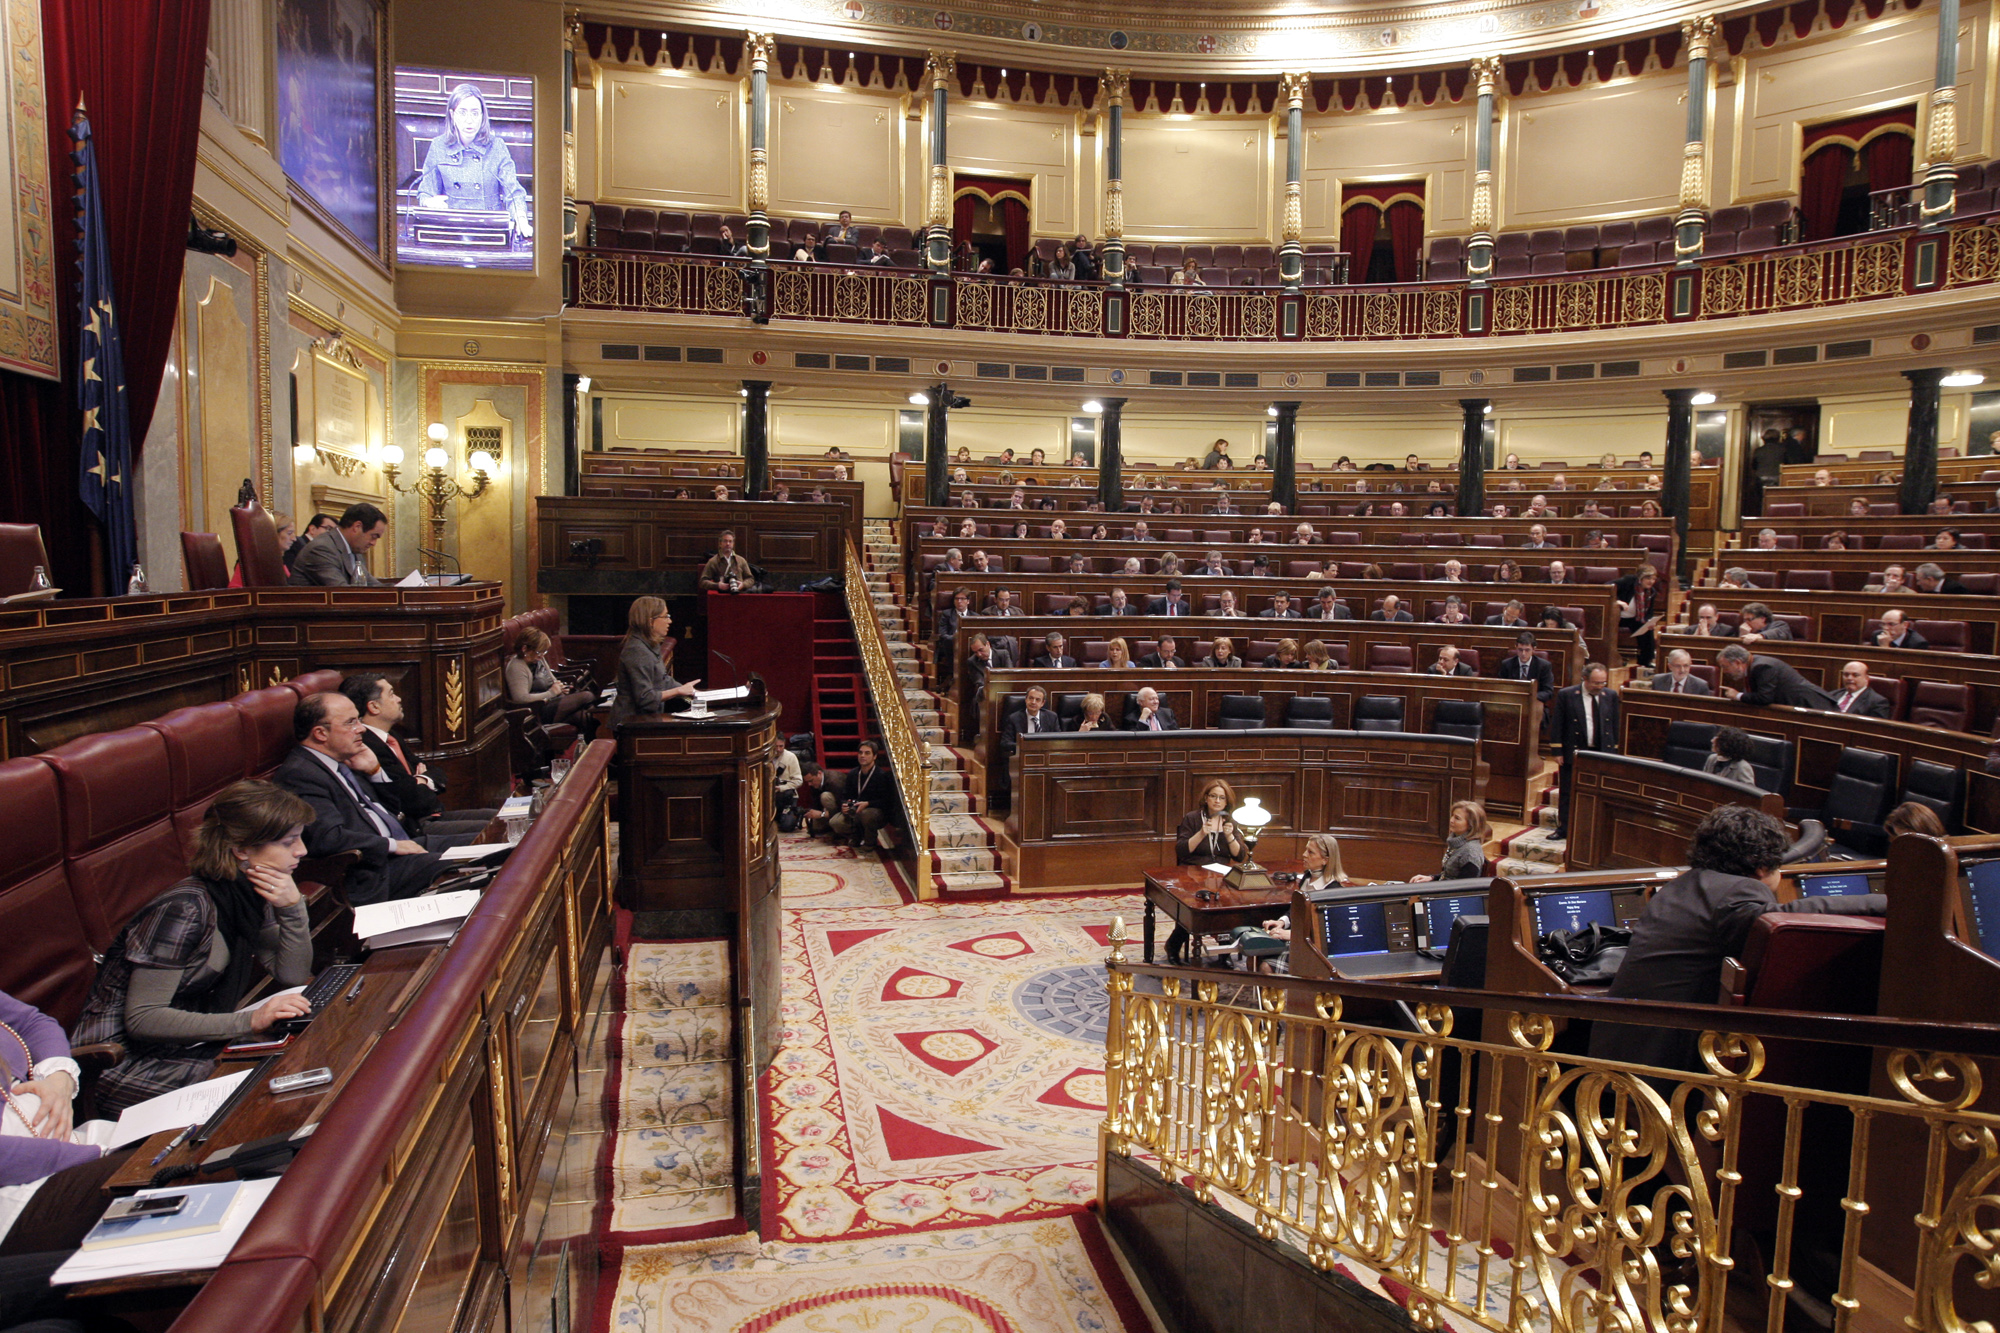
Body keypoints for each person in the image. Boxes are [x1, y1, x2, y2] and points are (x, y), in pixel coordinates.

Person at [71, 779, 318, 1115]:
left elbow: (292, 973)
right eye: (289, 842)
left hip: (182, 1046)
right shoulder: (186, 908)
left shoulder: (246, 895)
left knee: (299, 1064)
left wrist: (292, 909)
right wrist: (249, 1021)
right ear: (241, 849)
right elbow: (144, 1019)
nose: (301, 850)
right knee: (269, 1097)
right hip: (118, 1064)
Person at [1591, 806, 1886, 1072]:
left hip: (1620, 1045)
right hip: (1663, 1060)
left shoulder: (1682, 885)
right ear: (1761, 867)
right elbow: (1781, 917)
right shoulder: (1738, 893)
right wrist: (1885, 903)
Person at [275, 692, 470, 903]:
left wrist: (375, 773)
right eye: (351, 723)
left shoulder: (346, 758)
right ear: (321, 733)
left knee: (494, 843)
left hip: (404, 843)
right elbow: (329, 837)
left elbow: (396, 808)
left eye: (358, 720)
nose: (361, 729)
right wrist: (392, 845)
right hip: (375, 869)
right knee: (474, 864)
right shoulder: (301, 774)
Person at [343, 673, 497, 834]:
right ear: (374, 707)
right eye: (391, 694)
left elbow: (436, 772)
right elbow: (412, 800)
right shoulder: (367, 746)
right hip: (414, 827)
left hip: (432, 815)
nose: (398, 699)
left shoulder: (391, 736)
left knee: (502, 818)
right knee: (499, 830)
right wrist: (422, 785)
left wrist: (422, 780)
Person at [416, 84, 531, 238]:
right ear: (452, 115)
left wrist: (521, 218)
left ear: (482, 116)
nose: (469, 120)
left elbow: (513, 192)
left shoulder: (496, 146)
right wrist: (429, 202)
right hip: (451, 229)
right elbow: (425, 192)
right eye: (462, 113)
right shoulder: (438, 146)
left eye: (475, 113)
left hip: (490, 229)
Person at [1551, 662, 1618, 840]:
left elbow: (1615, 724)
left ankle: (1597, 829)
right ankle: (1564, 828)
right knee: (1567, 791)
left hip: (1602, 751)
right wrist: (1557, 751)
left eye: (1603, 682)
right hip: (1574, 750)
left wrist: (1615, 750)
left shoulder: (1610, 695)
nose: (1600, 686)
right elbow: (1557, 723)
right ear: (1585, 679)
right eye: (1596, 683)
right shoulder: (1567, 695)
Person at [611, 596, 700, 725]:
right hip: (631, 723)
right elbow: (645, 698)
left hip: (645, 720)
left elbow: (663, 679)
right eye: (665, 616)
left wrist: (692, 692)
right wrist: (679, 691)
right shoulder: (637, 650)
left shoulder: (650, 644)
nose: (670, 621)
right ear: (650, 621)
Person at [288, 502, 387, 586]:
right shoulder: (321, 549)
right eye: (373, 536)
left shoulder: (355, 548)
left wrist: (400, 590)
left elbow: (372, 585)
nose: (373, 543)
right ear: (357, 527)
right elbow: (340, 592)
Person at [1716, 643, 1837, 709]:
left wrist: (1738, 696)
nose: (1725, 671)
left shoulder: (1762, 667)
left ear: (1737, 662)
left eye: (1725, 667)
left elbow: (1764, 698)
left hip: (1811, 705)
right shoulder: (1754, 665)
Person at [829, 740, 898, 850]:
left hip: (875, 811)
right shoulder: (853, 774)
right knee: (835, 822)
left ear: (874, 756)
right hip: (855, 810)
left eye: (867, 753)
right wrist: (845, 805)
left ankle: (870, 842)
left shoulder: (881, 775)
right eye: (860, 753)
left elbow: (888, 800)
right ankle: (857, 835)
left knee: (866, 814)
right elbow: (845, 795)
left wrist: (868, 803)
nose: (862, 756)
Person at [1413, 801, 1491, 882]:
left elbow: (1463, 887)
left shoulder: (1470, 853)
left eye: (1457, 818)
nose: (1451, 820)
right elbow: (1450, 875)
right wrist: (1432, 878)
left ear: (1471, 825)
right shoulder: (1455, 841)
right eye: (1452, 816)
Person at [1617, 564, 1665, 667]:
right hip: (1617, 617)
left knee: (1648, 629)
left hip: (1634, 619)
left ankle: (1645, 661)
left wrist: (1650, 621)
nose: (1651, 581)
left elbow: (1649, 612)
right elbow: (1607, 588)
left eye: (1653, 579)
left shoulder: (1651, 592)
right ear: (1640, 577)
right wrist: (1617, 602)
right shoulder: (1628, 581)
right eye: (1648, 578)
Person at [1002, 686, 1059, 753]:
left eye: (1037, 700)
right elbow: (1005, 743)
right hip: (1022, 755)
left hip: (1045, 755)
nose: (1033, 702)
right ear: (1026, 699)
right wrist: (1026, 747)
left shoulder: (1052, 717)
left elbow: (1058, 741)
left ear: (1042, 703)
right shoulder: (1013, 718)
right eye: (1031, 698)